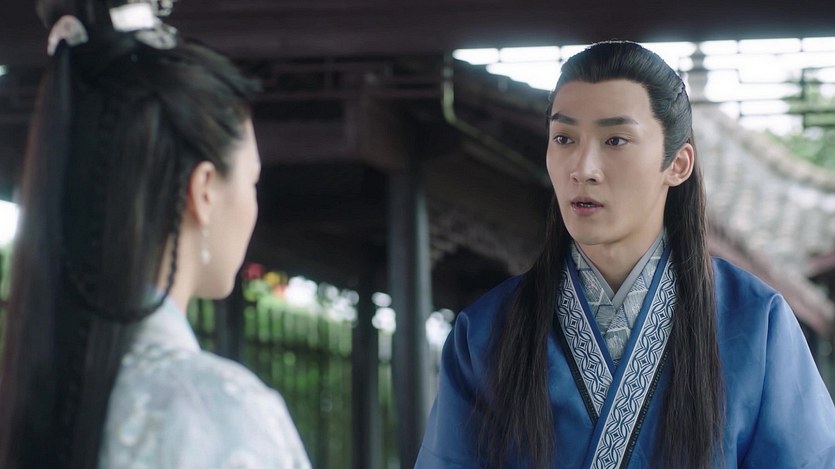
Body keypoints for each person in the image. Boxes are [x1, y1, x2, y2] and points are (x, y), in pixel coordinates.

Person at [416, 41, 835, 468]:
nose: (583, 168)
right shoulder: (485, 332)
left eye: (615, 140)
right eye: (564, 138)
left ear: (678, 164)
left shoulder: (755, 321)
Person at [0, 1, 311, 468]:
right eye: (252, 181)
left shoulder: (30, 400)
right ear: (203, 190)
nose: (253, 205)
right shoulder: (217, 408)